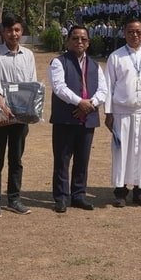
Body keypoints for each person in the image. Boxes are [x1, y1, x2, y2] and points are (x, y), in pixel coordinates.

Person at [105, 18, 141, 207]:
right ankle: (120, 192)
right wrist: (108, 112)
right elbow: (109, 86)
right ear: (125, 33)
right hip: (122, 112)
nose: (135, 35)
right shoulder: (115, 57)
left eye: (138, 31)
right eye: (131, 31)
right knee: (122, 152)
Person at [49, 25, 108, 212]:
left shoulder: (95, 65)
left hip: (87, 118)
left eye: (83, 39)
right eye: (75, 38)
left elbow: (103, 90)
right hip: (65, 118)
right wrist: (79, 103)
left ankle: (79, 195)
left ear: (88, 43)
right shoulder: (59, 62)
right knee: (62, 159)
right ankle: (61, 197)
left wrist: (90, 104)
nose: (79, 42)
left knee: (83, 159)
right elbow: (59, 87)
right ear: (68, 41)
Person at [0, 14, 38, 218]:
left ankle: (15, 198)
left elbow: (31, 83)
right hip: (1, 115)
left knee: (16, 158)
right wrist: (1, 105)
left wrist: (28, 108)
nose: (13, 34)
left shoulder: (28, 55)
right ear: (3, 33)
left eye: (16, 30)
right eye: (9, 30)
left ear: (21, 31)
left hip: (21, 114)